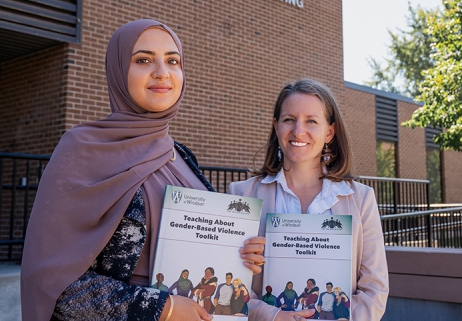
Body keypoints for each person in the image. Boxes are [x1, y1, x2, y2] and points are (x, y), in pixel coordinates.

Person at [20, 19, 266, 321]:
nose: (162, 72)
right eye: (143, 59)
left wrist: (237, 253)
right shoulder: (82, 149)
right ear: (119, 69)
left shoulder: (181, 156)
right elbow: (52, 284)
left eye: (172, 61)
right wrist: (163, 308)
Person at [229, 78, 389, 321]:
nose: (298, 131)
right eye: (289, 120)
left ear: (329, 132)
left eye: (311, 121)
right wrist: (272, 316)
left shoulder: (361, 199)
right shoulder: (240, 195)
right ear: (276, 126)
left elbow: (374, 291)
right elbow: (231, 282)